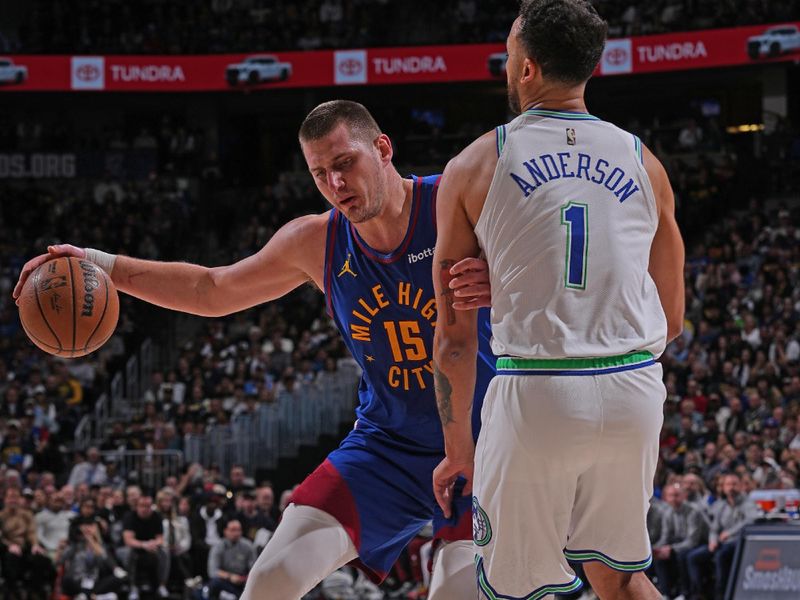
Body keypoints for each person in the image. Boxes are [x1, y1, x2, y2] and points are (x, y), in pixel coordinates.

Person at [14, 99, 493, 600]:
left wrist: (503, 282)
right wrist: (97, 263)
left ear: (383, 149)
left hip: (486, 441)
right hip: (387, 447)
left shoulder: (455, 202)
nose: (336, 184)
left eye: (345, 163)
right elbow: (213, 289)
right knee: (271, 579)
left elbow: (566, 268)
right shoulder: (316, 241)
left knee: (452, 591)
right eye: (320, 173)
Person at [430, 2, 685, 599]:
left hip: (537, 391)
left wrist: (457, 445)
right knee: (619, 581)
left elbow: (455, 339)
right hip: (633, 391)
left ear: (526, 69)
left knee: (518, 591)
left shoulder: (472, 165)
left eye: (509, 53)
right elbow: (670, 317)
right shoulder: (645, 162)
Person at [686, 472, 758, 599]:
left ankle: (722, 594)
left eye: (734, 484)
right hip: (721, 543)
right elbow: (714, 528)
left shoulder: (748, 503)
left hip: (739, 543)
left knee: (721, 556)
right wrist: (712, 541)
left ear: (741, 486)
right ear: (723, 487)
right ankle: (698, 593)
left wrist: (729, 533)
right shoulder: (721, 505)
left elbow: (750, 520)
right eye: (728, 484)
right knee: (693, 557)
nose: (731, 487)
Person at [651, 483, 708, 599]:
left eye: (677, 495)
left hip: (700, 543)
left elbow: (693, 541)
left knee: (681, 555)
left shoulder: (693, 511)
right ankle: (666, 593)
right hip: (680, 544)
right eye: (671, 496)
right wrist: (656, 549)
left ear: (683, 496)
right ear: (666, 498)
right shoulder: (667, 512)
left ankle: (685, 593)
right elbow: (665, 537)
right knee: (659, 556)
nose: (673, 499)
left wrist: (671, 549)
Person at [122, 494, 169, 599]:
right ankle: (132, 587)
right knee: (129, 553)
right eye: (142, 506)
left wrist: (154, 543)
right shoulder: (130, 517)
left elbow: (160, 539)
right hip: (135, 547)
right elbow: (128, 540)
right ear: (137, 506)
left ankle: (161, 585)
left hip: (151, 547)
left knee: (164, 553)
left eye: (147, 506)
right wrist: (144, 545)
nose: (145, 509)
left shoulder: (156, 516)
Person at [207, 519, 257, 599]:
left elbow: (254, 569)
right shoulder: (218, 547)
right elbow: (213, 571)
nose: (236, 533)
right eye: (233, 530)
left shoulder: (248, 546)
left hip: (243, 582)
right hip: (226, 581)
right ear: (225, 531)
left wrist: (244, 579)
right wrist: (230, 577)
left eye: (238, 530)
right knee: (214, 583)